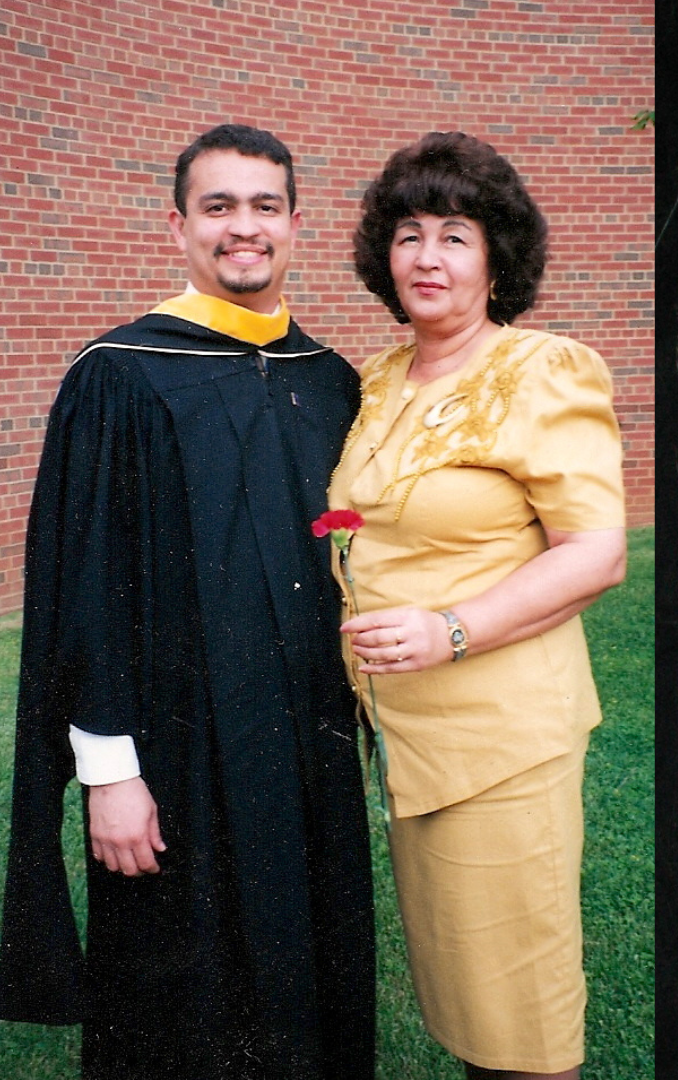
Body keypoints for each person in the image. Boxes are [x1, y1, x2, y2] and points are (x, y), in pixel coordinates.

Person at [0, 124, 375, 1078]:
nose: (242, 229)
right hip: (174, 755)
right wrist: (108, 770)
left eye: (263, 207)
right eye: (218, 208)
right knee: (179, 1000)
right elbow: (81, 589)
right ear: (178, 226)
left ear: (297, 223)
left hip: (306, 747)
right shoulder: (120, 375)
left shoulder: (329, 381)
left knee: (309, 967)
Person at [328, 131, 626, 1080]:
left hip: (503, 740)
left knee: (522, 1023)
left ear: (496, 258)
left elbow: (597, 552)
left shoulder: (545, 371)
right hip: (413, 738)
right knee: (467, 1001)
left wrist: (448, 630)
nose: (427, 256)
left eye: (455, 235)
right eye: (409, 233)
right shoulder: (379, 379)